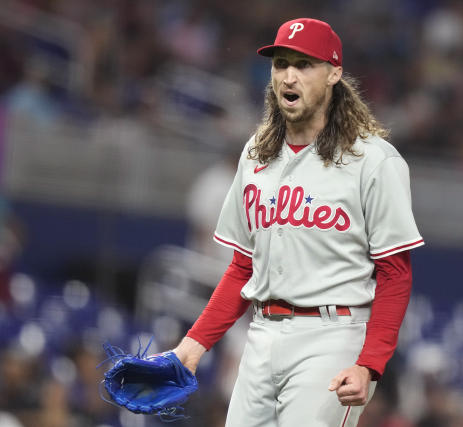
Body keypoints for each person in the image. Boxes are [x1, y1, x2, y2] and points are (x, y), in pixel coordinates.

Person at [172, 17, 424, 427]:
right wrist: (194, 344)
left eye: (304, 65)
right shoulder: (256, 153)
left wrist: (369, 364)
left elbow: (395, 275)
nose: (289, 75)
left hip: (333, 335)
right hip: (262, 335)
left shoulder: (374, 160)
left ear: (334, 74)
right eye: (281, 63)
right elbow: (243, 266)